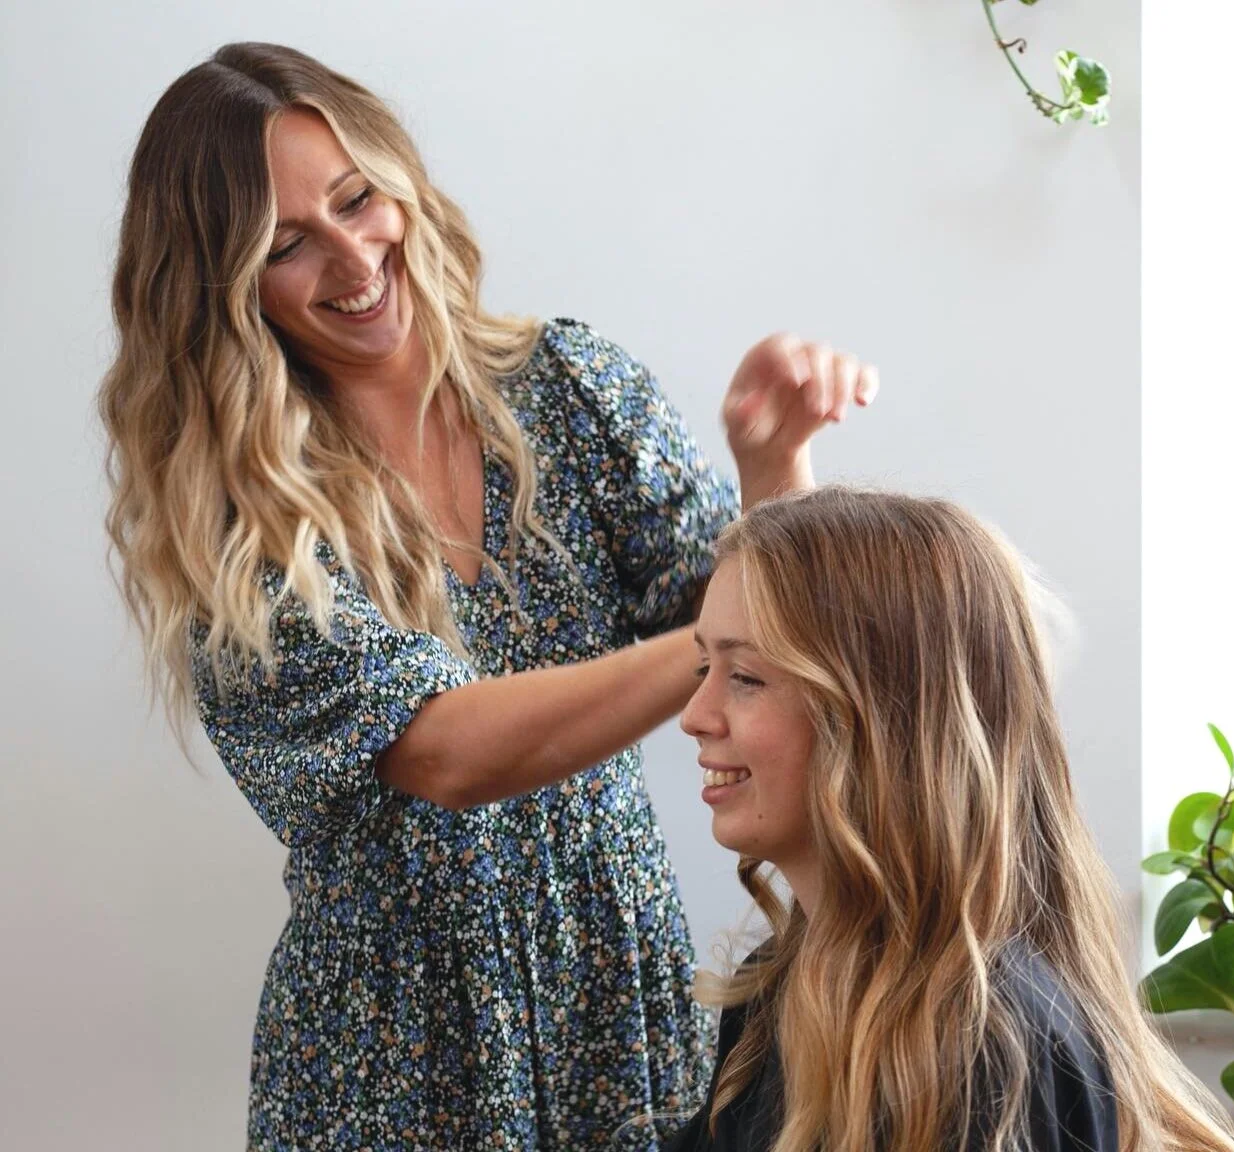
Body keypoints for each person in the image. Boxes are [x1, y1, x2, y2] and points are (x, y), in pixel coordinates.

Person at [97, 42, 876, 1151]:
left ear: (400, 183)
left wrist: (772, 469)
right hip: (394, 1049)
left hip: (618, 986)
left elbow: (771, 653)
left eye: (359, 200)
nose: (354, 257)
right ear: (225, 292)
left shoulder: (571, 388)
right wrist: (734, 620)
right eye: (286, 247)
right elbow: (445, 750)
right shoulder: (237, 521)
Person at [670, 487, 1234, 1152]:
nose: (694, 715)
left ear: (883, 720)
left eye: (744, 677)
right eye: (704, 667)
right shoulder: (774, 995)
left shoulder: (993, 1049)